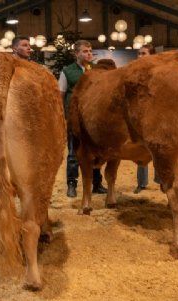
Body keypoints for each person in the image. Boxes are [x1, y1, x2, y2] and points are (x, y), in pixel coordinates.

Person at [58, 40, 107, 198]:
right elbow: (61, 95)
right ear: (77, 53)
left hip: (93, 119)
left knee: (96, 152)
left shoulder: (96, 71)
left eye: (90, 50)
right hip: (75, 119)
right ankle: (72, 184)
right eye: (85, 51)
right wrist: (63, 117)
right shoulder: (67, 71)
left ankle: (97, 184)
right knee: (73, 153)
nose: (89, 53)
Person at [133, 44, 160, 194]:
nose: (140, 57)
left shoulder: (158, 73)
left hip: (156, 116)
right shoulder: (135, 74)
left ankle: (161, 179)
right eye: (138, 54)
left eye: (143, 53)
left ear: (152, 55)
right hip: (141, 116)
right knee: (141, 150)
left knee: (158, 150)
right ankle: (141, 183)